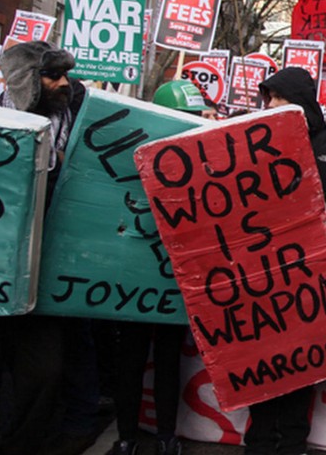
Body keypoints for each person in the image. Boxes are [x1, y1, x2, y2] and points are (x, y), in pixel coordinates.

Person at [0, 41, 87, 455]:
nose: (64, 84)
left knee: (44, 369)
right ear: (27, 81)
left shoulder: (75, 122)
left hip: (43, 271)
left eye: (65, 74)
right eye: (53, 76)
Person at [102, 81, 214, 455]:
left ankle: (162, 434)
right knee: (133, 360)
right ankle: (129, 436)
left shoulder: (202, 154)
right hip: (138, 277)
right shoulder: (134, 153)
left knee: (164, 360)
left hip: (173, 278)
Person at [242, 68, 326, 455]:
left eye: (275, 99)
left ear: (298, 101)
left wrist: (317, 212)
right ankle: (259, 439)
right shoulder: (254, 141)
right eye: (265, 99)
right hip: (264, 274)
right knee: (262, 357)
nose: (267, 106)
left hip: (312, 273)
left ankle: (293, 441)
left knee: (302, 361)